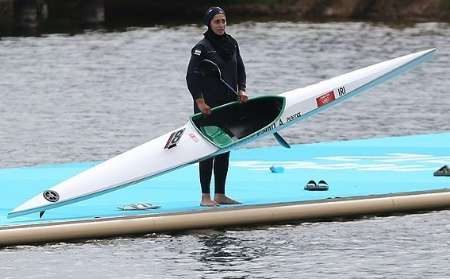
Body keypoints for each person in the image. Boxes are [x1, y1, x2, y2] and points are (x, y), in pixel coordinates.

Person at [186, 7, 248, 207]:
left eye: (223, 21)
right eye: (217, 22)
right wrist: (200, 101)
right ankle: (205, 196)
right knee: (208, 149)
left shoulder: (232, 43)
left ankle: (220, 194)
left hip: (228, 104)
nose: (221, 25)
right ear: (209, 24)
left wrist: (242, 89)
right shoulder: (201, 48)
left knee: (225, 147)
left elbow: (240, 68)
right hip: (208, 107)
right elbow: (191, 76)